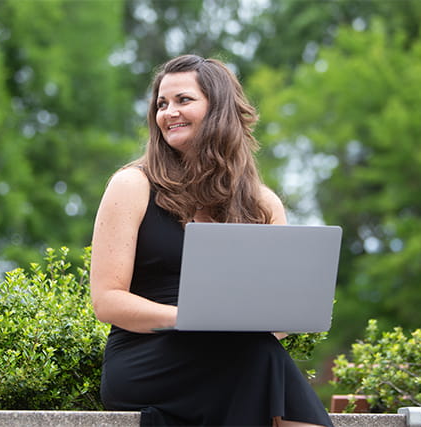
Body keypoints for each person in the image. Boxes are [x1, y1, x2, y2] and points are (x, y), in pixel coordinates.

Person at [90, 54, 334, 427]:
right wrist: (191, 320)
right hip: (147, 358)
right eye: (161, 103)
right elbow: (107, 301)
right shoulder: (132, 184)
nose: (168, 112)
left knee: (260, 352)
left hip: (237, 353)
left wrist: (271, 318)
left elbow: (278, 322)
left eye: (183, 100)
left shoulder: (262, 204)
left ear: (218, 109)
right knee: (260, 358)